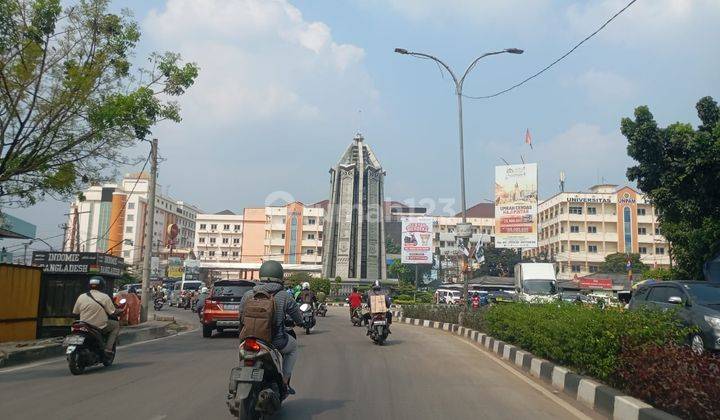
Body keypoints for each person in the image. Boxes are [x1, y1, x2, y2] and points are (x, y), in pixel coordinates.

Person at [238, 261, 304, 395]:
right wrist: (300, 322)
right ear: (280, 276)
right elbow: (297, 316)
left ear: (261, 274)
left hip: (249, 340)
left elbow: (240, 317)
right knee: (293, 348)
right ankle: (285, 382)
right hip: (274, 341)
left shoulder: (248, 295)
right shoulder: (284, 295)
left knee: (244, 355)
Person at [72, 276, 123, 357]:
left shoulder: (81, 296)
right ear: (102, 286)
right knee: (116, 325)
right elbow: (112, 312)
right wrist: (120, 311)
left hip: (83, 324)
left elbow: (75, 312)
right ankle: (108, 349)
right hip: (99, 326)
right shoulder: (105, 297)